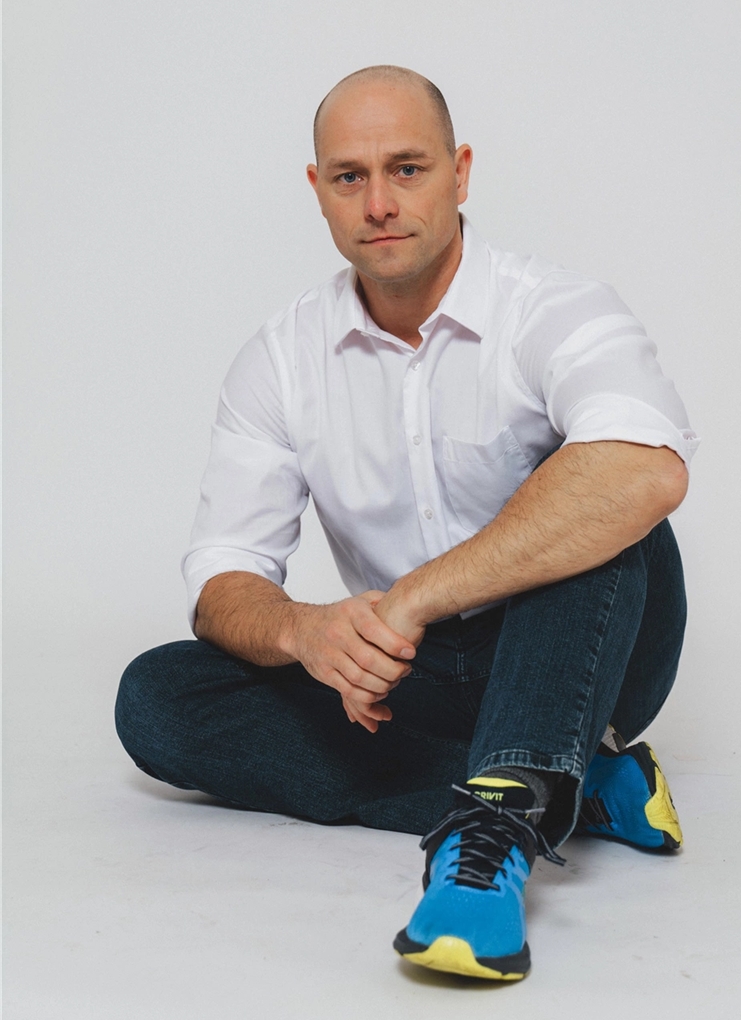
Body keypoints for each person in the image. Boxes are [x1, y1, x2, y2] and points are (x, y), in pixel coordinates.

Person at [116, 65, 699, 982]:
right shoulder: (281, 358)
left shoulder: (553, 308)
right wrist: (304, 631)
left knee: (593, 497)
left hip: (580, 650)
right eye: (350, 177)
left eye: (408, 169)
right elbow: (224, 573)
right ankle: (576, 787)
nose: (380, 203)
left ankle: (488, 836)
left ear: (460, 173)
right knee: (159, 697)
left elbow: (646, 470)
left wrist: (411, 599)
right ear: (318, 190)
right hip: (405, 679)